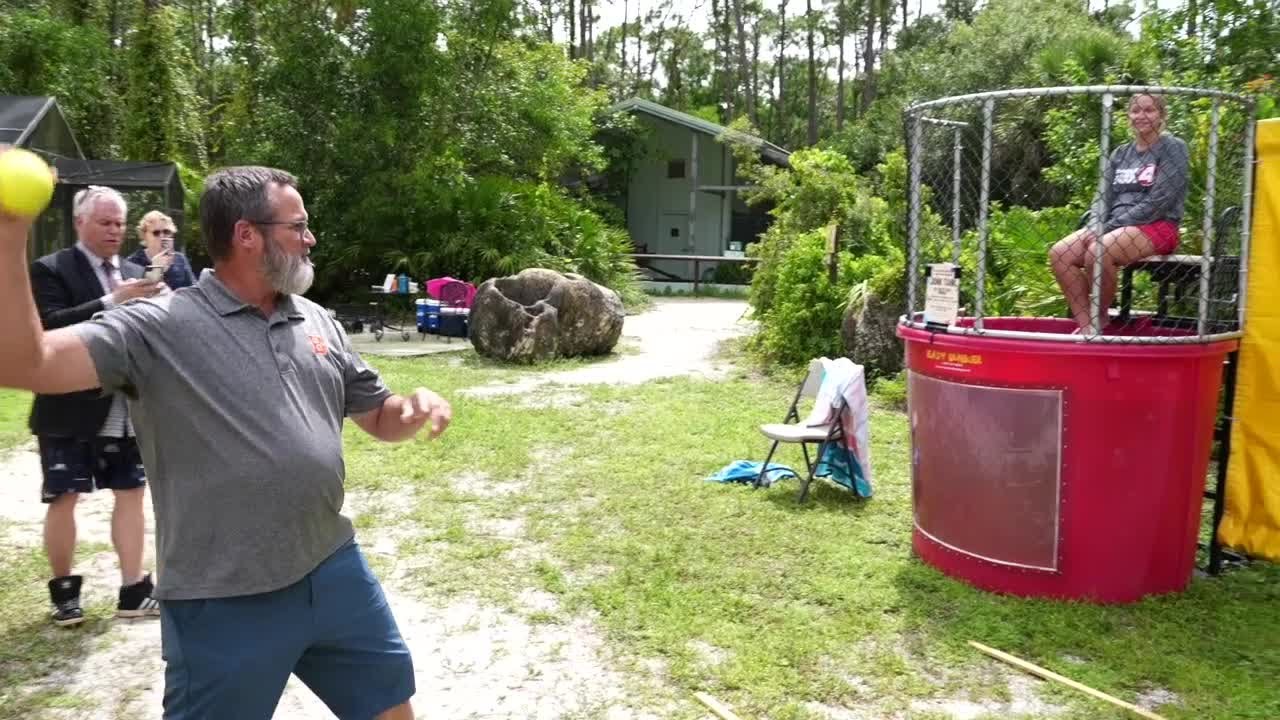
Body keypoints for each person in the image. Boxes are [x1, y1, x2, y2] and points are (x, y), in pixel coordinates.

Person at [0, 159, 452, 720]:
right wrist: (8, 233)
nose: (310, 239)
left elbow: (379, 416)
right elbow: (24, 362)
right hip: (222, 599)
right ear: (246, 235)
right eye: (297, 226)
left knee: (390, 709)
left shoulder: (317, 321)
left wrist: (410, 409)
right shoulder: (159, 326)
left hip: (332, 569)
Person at [28, 184, 167, 626]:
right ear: (79, 223)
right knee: (65, 496)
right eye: (105, 222)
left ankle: (134, 590)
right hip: (68, 405)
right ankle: (65, 593)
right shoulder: (50, 269)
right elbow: (47, 328)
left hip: (126, 405)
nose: (114, 231)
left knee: (131, 492)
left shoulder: (134, 269)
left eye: (120, 223)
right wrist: (113, 301)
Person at [1049, 92, 1190, 332]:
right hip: (1112, 226)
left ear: (1162, 115)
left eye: (1149, 110)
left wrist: (1108, 227)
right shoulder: (1120, 154)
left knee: (1098, 251)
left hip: (1156, 224)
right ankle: (1087, 327)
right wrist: (1095, 225)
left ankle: (1099, 318)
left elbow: (1159, 201)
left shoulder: (1172, 148)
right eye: (1136, 111)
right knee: (1059, 253)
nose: (1141, 116)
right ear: (1128, 116)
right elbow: (1102, 196)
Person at [127, 210, 197, 290]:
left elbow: (193, 290)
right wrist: (156, 269)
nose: (162, 236)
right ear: (144, 236)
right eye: (156, 233)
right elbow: (135, 296)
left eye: (166, 232)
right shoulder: (133, 262)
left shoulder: (180, 259)